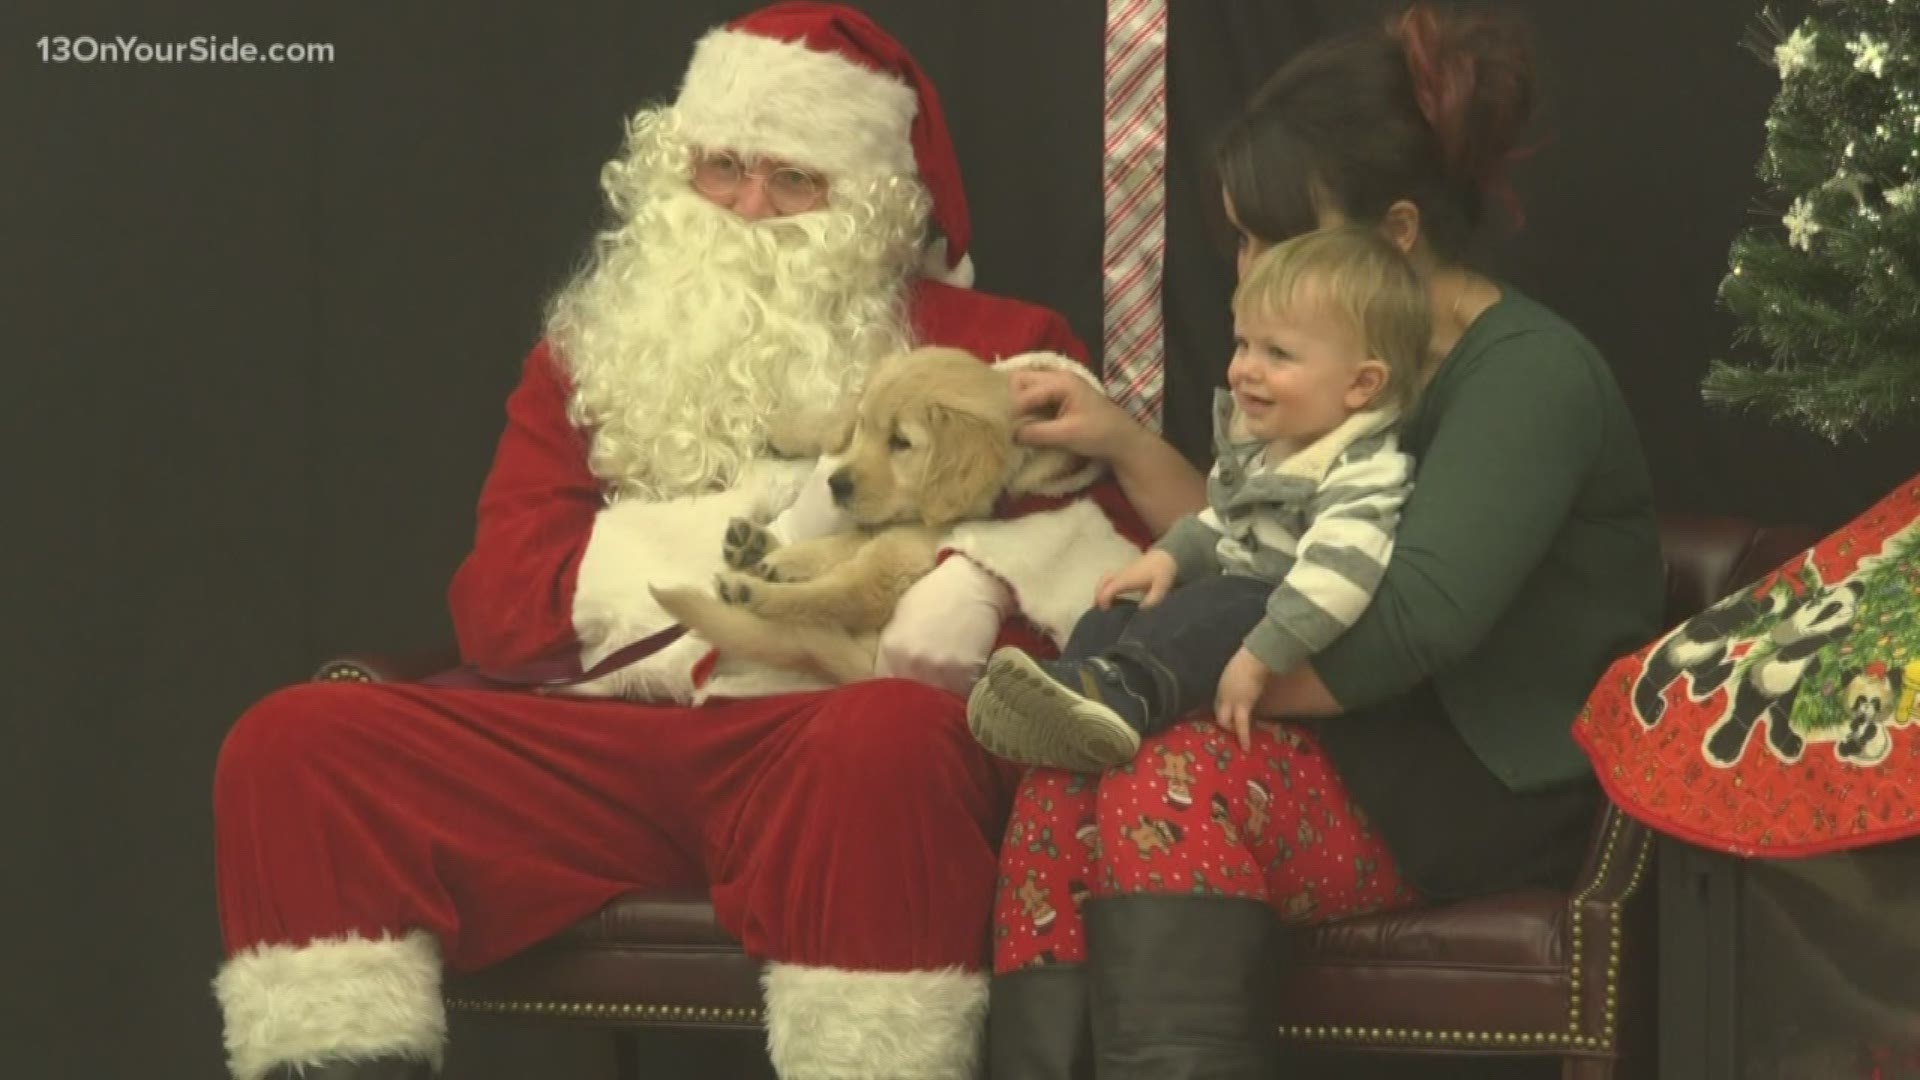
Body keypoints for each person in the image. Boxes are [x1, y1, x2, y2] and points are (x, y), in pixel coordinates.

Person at [209, 5, 1149, 1079]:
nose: (750, 209)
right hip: (606, 753)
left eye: (796, 180)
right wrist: (766, 535)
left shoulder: (1001, 348)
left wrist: (975, 581)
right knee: (296, 746)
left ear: (874, 208)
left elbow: (1102, 576)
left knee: (884, 741)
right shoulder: (600, 353)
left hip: (830, 744)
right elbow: (507, 606)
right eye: (723, 169)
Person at [985, 5, 1667, 1077]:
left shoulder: (1530, 376)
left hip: (1482, 772)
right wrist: (1119, 443)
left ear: (1395, 234)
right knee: (1061, 777)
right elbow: (1252, 540)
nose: (1249, 264)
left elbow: (1411, 622)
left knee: (1167, 778)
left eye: (1271, 235)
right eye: (1243, 237)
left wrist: (1163, 690)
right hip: (1361, 733)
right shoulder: (1337, 362)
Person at [967, 228, 1427, 773]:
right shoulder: (1272, 444)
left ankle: (1121, 692)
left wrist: (1262, 658)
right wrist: (1169, 555)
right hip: (1234, 602)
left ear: (1361, 385)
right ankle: (1071, 699)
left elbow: (1338, 578)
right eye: (1242, 344)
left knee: (1218, 606)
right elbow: (1221, 519)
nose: (1245, 369)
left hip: (1286, 627)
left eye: (1277, 353)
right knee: (1116, 611)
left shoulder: (1360, 468)